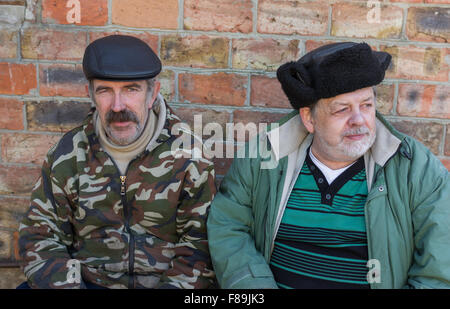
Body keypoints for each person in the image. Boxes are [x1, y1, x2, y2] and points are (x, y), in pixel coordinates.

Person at [207, 42, 450, 289]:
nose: (359, 120)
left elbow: (439, 269)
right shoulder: (263, 156)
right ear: (309, 118)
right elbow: (229, 227)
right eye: (342, 109)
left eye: (366, 105)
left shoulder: (415, 169)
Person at [18, 35, 216, 289]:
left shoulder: (189, 155)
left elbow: (200, 247)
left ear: (152, 93)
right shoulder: (68, 154)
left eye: (131, 89)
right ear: (91, 95)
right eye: (105, 91)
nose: (118, 105)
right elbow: (39, 237)